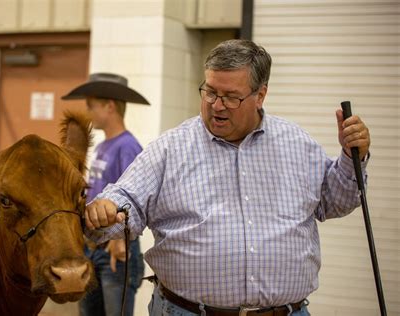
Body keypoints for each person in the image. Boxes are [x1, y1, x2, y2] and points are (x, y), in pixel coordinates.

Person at [83, 39, 371, 316]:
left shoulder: (297, 143)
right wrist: (105, 210)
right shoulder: (169, 149)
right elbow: (126, 200)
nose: (217, 105)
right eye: (209, 92)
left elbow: (336, 201)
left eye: (231, 97)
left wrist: (350, 158)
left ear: (260, 95)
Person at [62, 73, 148, 316]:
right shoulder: (102, 146)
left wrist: (120, 239)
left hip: (115, 248)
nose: (87, 111)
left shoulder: (127, 146)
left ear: (109, 106)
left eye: (91, 105)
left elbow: (136, 195)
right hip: (93, 247)